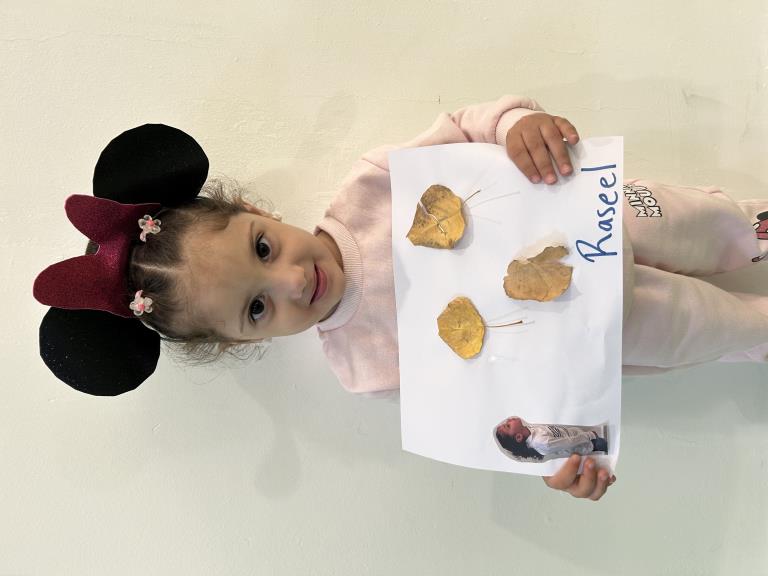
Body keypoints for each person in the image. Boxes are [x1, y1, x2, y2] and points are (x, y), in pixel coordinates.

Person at [34, 95, 768, 503]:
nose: (290, 280)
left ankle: (754, 229)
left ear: (257, 211)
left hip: (599, 215)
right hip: (617, 332)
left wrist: (519, 128)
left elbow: (471, 126)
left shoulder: (371, 186)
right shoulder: (364, 366)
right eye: (257, 308)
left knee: (711, 222)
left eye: (261, 248)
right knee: (724, 326)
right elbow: (489, 411)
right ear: (244, 342)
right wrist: (562, 452)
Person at [494, 417, 607, 462]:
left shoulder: (530, 430)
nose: (508, 420)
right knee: (606, 443)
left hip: (578, 434)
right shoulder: (541, 443)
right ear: (518, 437)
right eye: (508, 426)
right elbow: (570, 442)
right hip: (587, 444)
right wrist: (589, 436)